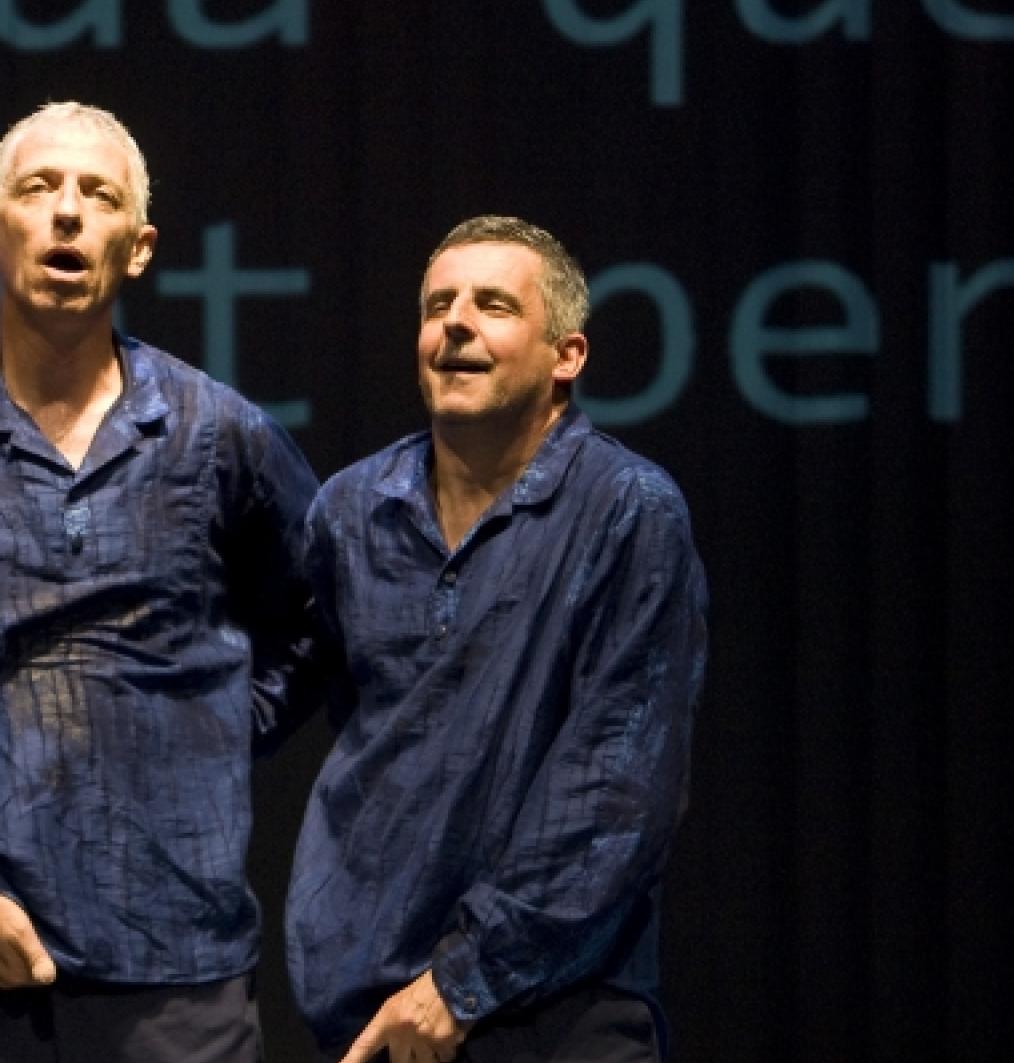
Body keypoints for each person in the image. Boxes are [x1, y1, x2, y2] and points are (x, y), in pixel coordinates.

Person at [0, 101, 319, 1063]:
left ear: (140, 247)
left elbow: (319, 616)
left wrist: (214, 724)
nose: (69, 211)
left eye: (99, 195)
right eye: (39, 189)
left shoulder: (217, 432)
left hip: (172, 960)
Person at [285, 216, 708, 1063]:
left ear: (567, 356)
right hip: (374, 1011)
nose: (455, 324)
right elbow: (339, 714)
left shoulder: (627, 510)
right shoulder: (352, 509)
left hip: (560, 1009)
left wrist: (462, 979)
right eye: (438, 305)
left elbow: (617, 790)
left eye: (493, 305)